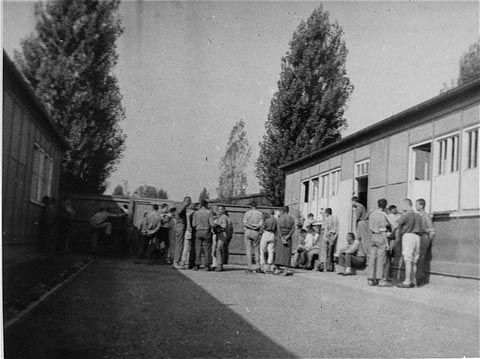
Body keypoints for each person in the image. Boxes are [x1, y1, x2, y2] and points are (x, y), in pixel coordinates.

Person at [396, 198, 423, 288]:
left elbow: (398, 224)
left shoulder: (405, 215)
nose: (401, 207)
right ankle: (414, 280)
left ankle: (407, 281)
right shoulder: (418, 215)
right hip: (417, 237)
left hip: (408, 236)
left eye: (402, 205)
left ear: (406, 204)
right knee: (414, 261)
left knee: (408, 260)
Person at [368, 199, 395, 286]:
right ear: (385, 205)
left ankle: (371, 278)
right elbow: (383, 230)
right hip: (380, 236)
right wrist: (387, 243)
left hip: (373, 236)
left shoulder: (372, 214)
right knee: (381, 259)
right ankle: (379, 278)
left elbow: (370, 227)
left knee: (372, 258)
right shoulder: (383, 215)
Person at [415, 198, 435, 286]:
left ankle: (419, 278)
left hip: (423, 237)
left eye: (417, 205)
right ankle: (417, 276)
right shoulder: (417, 215)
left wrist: (428, 242)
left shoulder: (426, 215)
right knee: (416, 258)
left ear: (421, 205)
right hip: (418, 237)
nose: (415, 206)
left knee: (420, 258)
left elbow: (431, 230)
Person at [192, 200, 214, 271]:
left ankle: (197, 264)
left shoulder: (196, 213)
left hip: (198, 231)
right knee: (207, 248)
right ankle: (207, 265)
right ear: (206, 205)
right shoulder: (209, 212)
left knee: (197, 248)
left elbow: (193, 224)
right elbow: (212, 224)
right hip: (206, 231)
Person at [242, 201, 264, 274]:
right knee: (256, 249)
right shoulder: (260, 213)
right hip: (256, 231)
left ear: (250, 206)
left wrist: (250, 226)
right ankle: (257, 266)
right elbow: (260, 224)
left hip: (248, 231)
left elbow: (245, 223)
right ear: (256, 206)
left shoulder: (247, 213)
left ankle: (249, 266)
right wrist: (255, 226)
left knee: (248, 249)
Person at [274, 206, 295, 276]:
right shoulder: (291, 219)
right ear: (288, 211)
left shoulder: (280, 218)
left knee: (279, 253)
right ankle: (285, 270)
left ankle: (277, 269)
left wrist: (281, 237)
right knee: (287, 253)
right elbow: (293, 229)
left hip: (281, 237)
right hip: (288, 237)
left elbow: (278, 228)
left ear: (283, 211)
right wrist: (288, 236)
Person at [172, 196, 192, 269]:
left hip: (178, 226)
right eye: (189, 202)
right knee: (179, 245)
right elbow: (180, 212)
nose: (190, 203)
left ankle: (175, 261)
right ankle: (176, 262)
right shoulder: (183, 206)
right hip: (180, 226)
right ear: (187, 201)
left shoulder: (179, 206)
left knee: (178, 244)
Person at [212, 205, 229, 272]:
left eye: (221, 209)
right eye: (218, 209)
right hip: (219, 233)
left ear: (224, 210)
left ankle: (219, 265)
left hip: (222, 233)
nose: (219, 211)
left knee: (218, 249)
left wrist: (217, 225)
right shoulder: (219, 217)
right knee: (219, 249)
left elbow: (224, 226)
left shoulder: (224, 217)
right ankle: (220, 264)